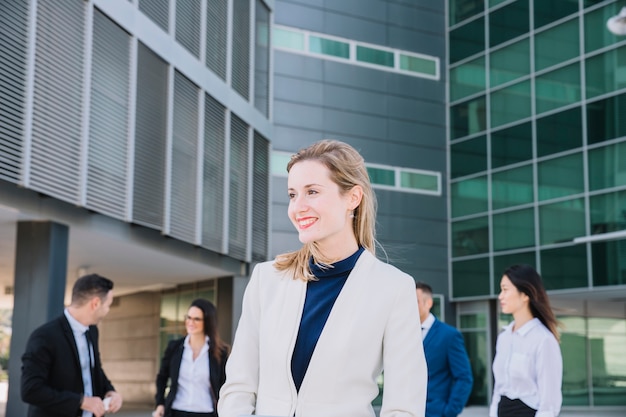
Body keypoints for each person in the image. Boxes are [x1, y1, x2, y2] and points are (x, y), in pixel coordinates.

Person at [218, 139, 427, 417]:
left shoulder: (394, 288)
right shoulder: (266, 279)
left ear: (353, 197)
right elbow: (238, 386)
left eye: (312, 192)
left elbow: (404, 406)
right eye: (293, 195)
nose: (297, 207)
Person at [21, 273, 123, 417]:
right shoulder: (44, 336)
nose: (108, 310)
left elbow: (94, 369)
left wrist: (110, 391)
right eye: (108, 305)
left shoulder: (92, 331)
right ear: (95, 303)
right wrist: (81, 401)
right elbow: (30, 390)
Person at [489, 264, 562, 417]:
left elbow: (550, 404)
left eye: (505, 289)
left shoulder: (544, 340)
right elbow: (498, 389)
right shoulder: (504, 338)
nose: (500, 296)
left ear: (525, 294)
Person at [153, 298, 230, 417]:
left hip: (206, 413)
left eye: (196, 319)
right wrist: (160, 404)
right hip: (175, 412)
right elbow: (162, 377)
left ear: (208, 322)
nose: (190, 322)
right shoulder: (174, 347)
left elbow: (224, 384)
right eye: (188, 317)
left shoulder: (220, 352)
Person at [415, 281, 473, 417]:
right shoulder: (405, 333)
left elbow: (464, 377)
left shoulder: (449, 335)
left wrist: (449, 412)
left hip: (436, 412)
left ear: (428, 303)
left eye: (415, 301)